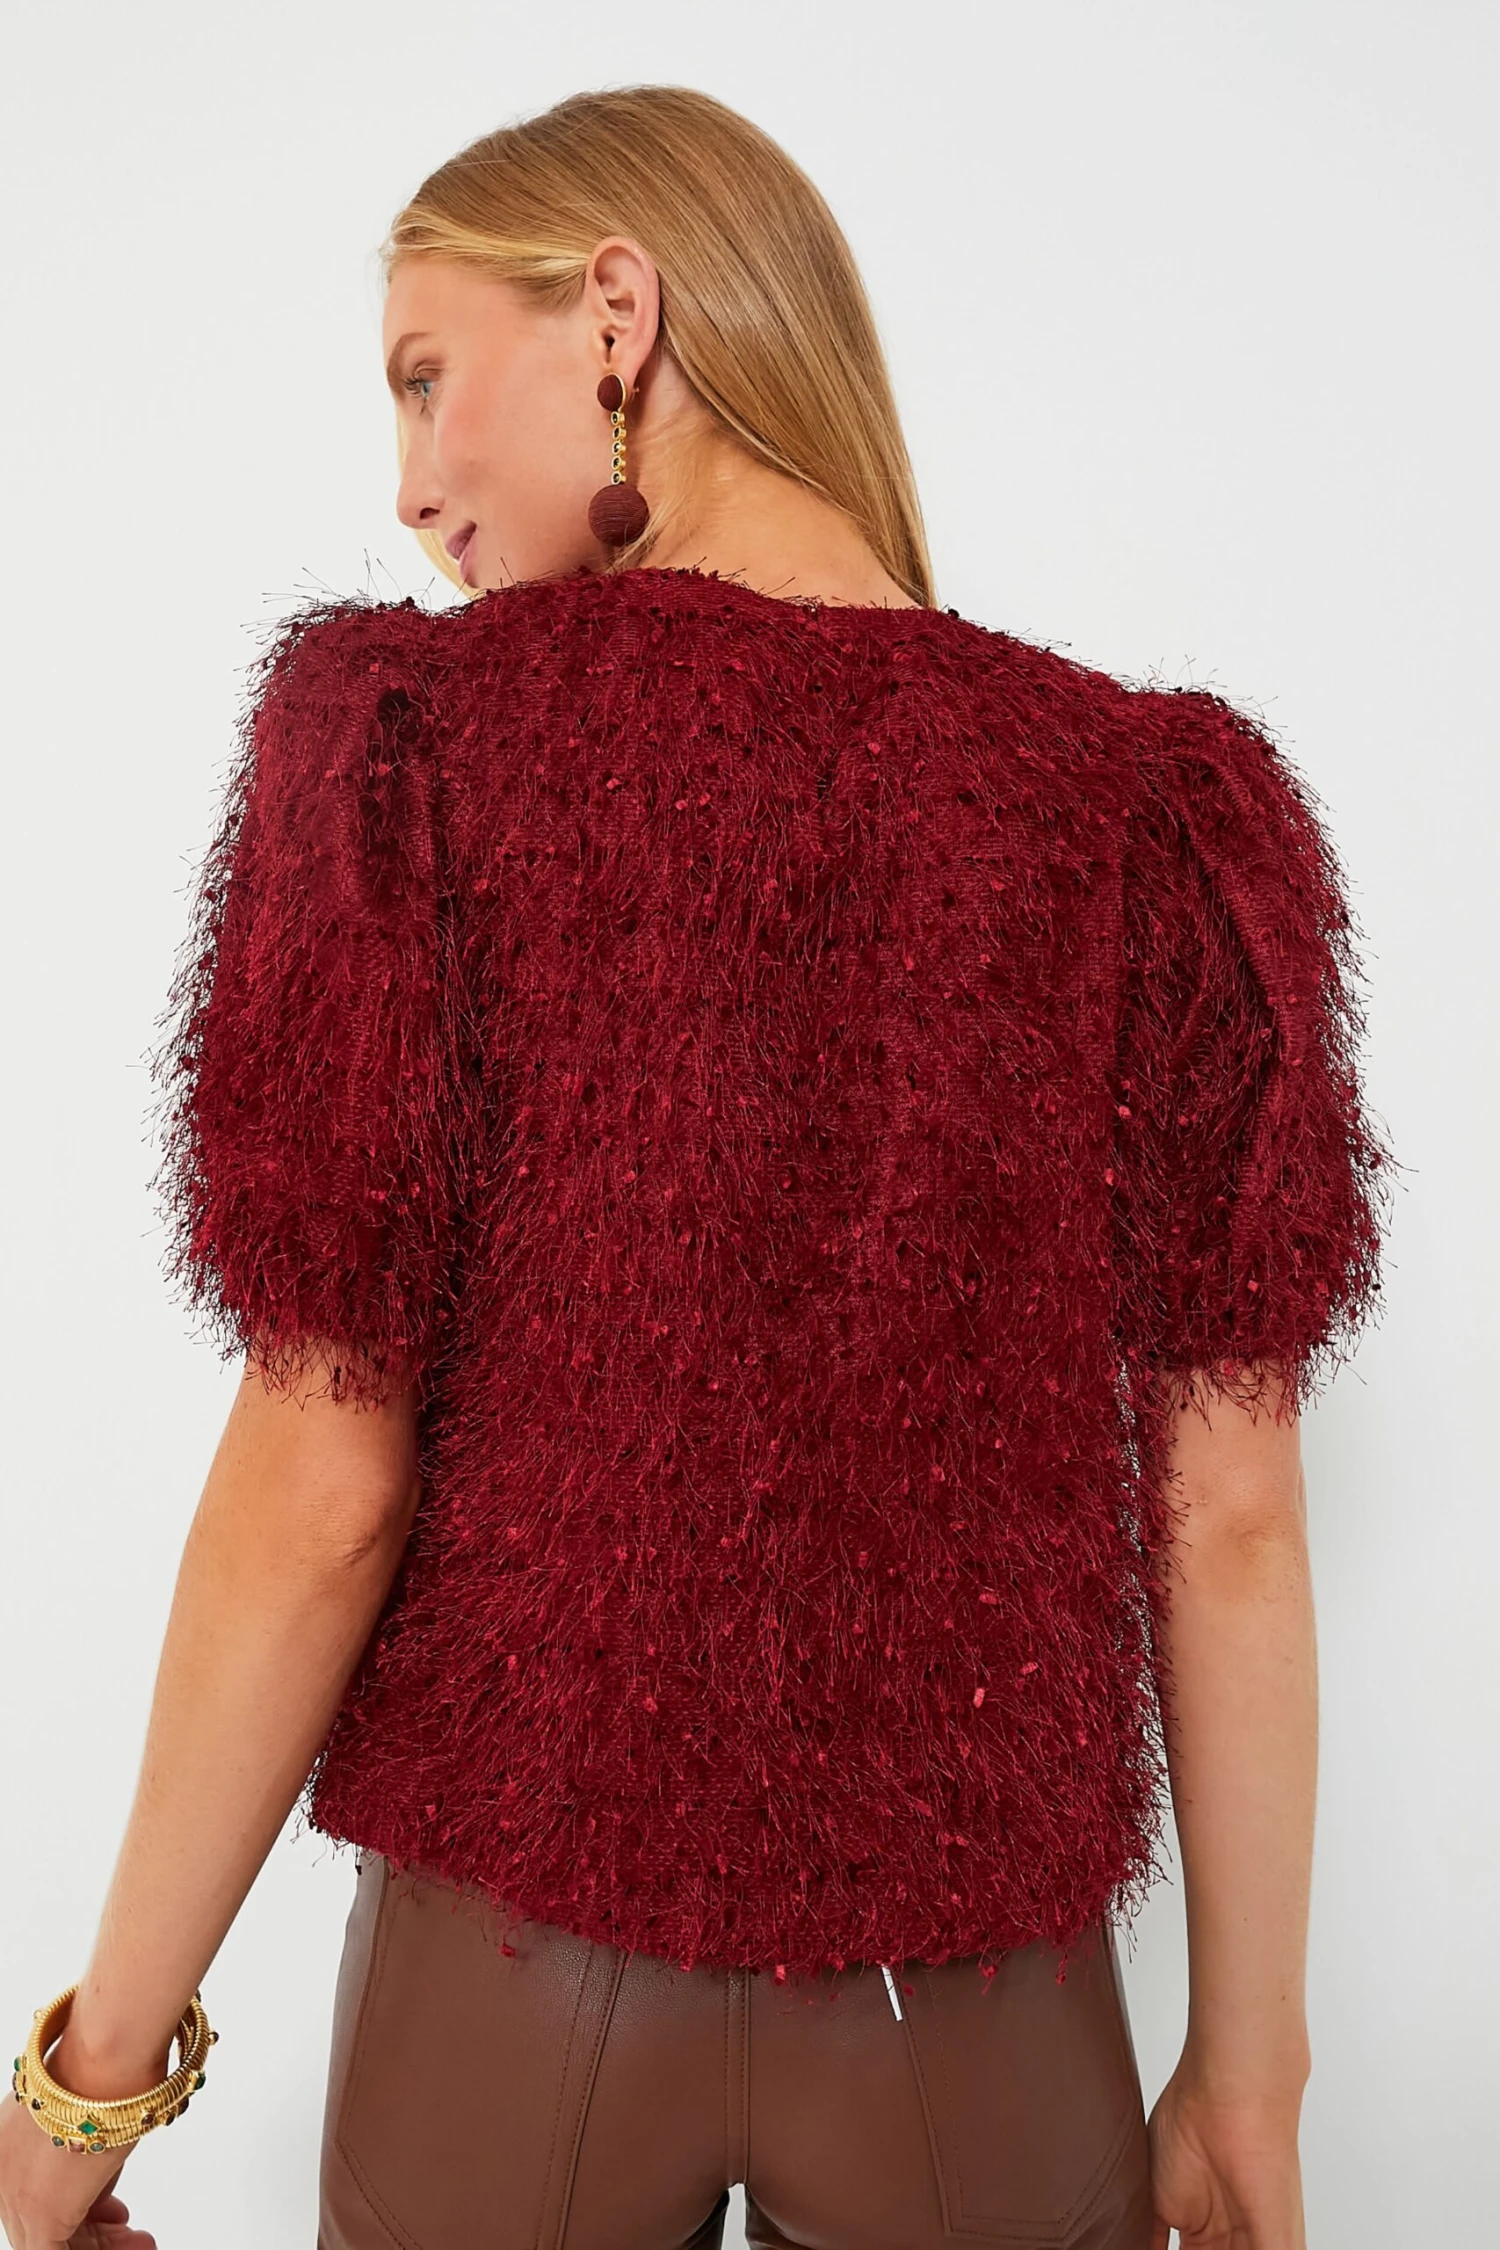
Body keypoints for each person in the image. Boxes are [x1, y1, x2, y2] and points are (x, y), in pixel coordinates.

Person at [1, 83, 1386, 2250]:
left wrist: (83, 2087)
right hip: (979, 2015)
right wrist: (1247, 2072)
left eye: (426, 374)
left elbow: (319, 1487)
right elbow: (1228, 1512)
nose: (407, 484)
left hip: (509, 1976)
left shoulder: (412, 755)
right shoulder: (1138, 806)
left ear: (617, 316)